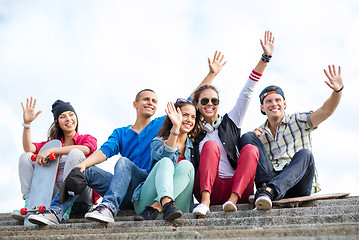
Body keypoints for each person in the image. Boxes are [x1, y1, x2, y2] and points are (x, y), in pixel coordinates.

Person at [28, 51, 227, 225]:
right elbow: (104, 152)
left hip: (147, 183)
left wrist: (212, 74)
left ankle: (108, 208)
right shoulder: (121, 132)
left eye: (154, 101)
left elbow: (187, 102)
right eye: (146, 99)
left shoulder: (158, 125)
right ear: (135, 104)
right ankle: (55, 212)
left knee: (124, 163)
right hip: (123, 187)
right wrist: (83, 165)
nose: (151, 103)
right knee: (82, 170)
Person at [191, 31, 275, 216]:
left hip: (236, 187)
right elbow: (185, 104)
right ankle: (205, 202)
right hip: (209, 188)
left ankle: (233, 201)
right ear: (197, 105)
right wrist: (211, 74)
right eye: (204, 101)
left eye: (214, 101)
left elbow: (248, 91)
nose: (210, 104)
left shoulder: (231, 121)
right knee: (211, 145)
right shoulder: (193, 130)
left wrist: (265, 58)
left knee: (251, 149)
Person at [240, 65, 344, 210]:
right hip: (271, 179)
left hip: (298, 184)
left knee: (305, 154)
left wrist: (337, 91)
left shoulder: (299, 121)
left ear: (284, 103)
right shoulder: (260, 133)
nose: (273, 104)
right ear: (262, 108)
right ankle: (265, 190)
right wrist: (254, 143)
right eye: (268, 101)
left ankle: (269, 191)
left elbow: (325, 111)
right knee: (247, 138)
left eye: (277, 100)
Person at [12, 98, 97, 221]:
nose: (68, 119)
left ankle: (63, 209)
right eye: (63, 116)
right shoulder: (52, 144)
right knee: (25, 157)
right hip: (54, 197)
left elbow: (86, 149)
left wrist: (52, 151)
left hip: (80, 197)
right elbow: (28, 148)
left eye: (71, 115)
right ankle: (31, 204)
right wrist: (27, 125)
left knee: (75, 153)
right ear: (57, 122)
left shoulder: (86, 138)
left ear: (76, 118)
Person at [133, 99, 199, 221]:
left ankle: (157, 207)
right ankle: (164, 202)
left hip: (177, 207)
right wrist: (176, 128)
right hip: (147, 202)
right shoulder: (158, 141)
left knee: (186, 165)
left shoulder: (195, 148)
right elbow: (166, 157)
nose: (189, 120)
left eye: (193, 117)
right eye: (185, 115)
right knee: (166, 162)